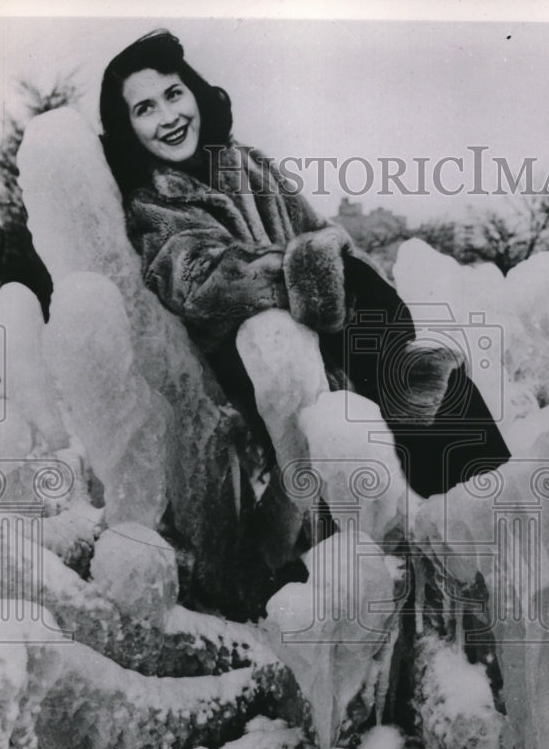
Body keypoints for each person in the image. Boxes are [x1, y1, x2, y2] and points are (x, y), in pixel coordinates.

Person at [99, 29, 510, 504]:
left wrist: (352, 274)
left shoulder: (243, 163)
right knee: (401, 440)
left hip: (342, 357)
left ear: (192, 90)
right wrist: (314, 273)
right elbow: (199, 281)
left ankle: (491, 541)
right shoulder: (153, 208)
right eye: (144, 108)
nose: (169, 117)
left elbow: (318, 230)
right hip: (271, 397)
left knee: (449, 393)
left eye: (173, 94)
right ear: (128, 128)